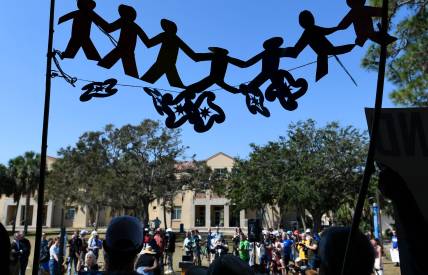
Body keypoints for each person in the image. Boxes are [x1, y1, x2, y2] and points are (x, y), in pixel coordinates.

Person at [288, 10, 355, 81]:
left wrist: (337, 28)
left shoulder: (311, 30)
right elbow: (326, 31)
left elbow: (298, 47)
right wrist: (337, 28)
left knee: (333, 51)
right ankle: (354, 46)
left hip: (325, 50)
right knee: (334, 51)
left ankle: (353, 46)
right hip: (324, 51)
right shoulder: (309, 31)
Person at [141, 19, 199, 88]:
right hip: (169, 65)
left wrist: (139, 31)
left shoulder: (165, 35)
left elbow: (149, 43)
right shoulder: (176, 38)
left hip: (162, 64)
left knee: (143, 82)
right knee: (178, 86)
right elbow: (194, 56)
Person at [98, 5, 150, 78]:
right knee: (132, 74)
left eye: (122, 14)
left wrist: (95, 17)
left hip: (121, 50)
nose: (120, 15)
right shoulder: (135, 26)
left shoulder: (124, 21)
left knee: (103, 65)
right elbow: (148, 43)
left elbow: (109, 28)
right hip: (128, 52)